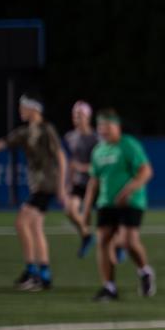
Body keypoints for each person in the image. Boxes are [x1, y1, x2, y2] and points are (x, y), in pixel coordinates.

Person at [0, 95, 68, 291]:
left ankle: (32, 271)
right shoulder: (24, 132)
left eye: (23, 107)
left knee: (21, 222)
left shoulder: (46, 129)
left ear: (34, 109)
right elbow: (0, 144)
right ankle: (43, 274)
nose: (20, 110)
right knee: (35, 227)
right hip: (38, 186)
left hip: (47, 184)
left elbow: (61, 157)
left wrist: (62, 187)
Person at [83, 109, 156, 301]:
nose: (103, 130)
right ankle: (109, 287)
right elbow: (93, 182)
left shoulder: (128, 145)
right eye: (100, 126)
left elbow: (146, 172)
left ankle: (145, 271)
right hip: (106, 202)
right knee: (103, 241)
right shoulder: (98, 151)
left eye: (108, 126)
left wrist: (127, 191)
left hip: (131, 201)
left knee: (127, 242)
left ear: (117, 127)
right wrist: (86, 209)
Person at [64, 100, 100, 257]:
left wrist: (80, 167)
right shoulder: (70, 137)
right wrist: (68, 183)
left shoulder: (96, 138)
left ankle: (118, 246)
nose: (76, 118)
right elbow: (72, 162)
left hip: (96, 183)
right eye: (74, 115)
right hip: (79, 184)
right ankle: (87, 236)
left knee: (106, 221)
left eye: (80, 115)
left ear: (88, 117)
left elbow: (99, 165)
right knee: (70, 211)